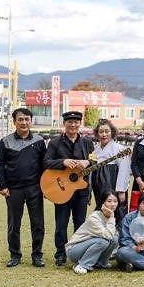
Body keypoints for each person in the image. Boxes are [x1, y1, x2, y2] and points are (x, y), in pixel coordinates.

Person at [0, 107, 47, 267]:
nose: (24, 123)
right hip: (13, 189)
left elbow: (45, 166)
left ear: (31, 121)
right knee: (14, 224)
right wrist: (2, 185)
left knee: (38, 224)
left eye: (27, 119)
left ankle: (37, 255)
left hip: (34, 188)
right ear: (14, 122)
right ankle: (15, 255)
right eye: (20, 119)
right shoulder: (5, 141)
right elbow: (0, 164)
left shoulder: (39, 141)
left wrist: (45, 187)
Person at [44, 110, 96, 266]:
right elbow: (46, 162)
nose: (73, 125)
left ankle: (78, 252)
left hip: (81, 190)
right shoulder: (54, 143)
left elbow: (94, 161)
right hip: (61, 189)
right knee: (61, 223)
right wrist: (63, 162)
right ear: (64, 124)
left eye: (76, 122)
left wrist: (88, 162)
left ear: (80, 123)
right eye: (69, 122)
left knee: (80, 223)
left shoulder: (87, 143)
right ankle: (60, 253)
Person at [65, 190, 120, 274]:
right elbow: (108, 236)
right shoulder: (95, 217)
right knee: (103, 241)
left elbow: (112, 237)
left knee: (115, 238)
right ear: (102, 203)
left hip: (90, 244)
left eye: (115, 201)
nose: (113, 204)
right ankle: (82, 265)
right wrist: (112, 218)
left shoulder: (109, 215)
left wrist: (111, 217)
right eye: (109, 201)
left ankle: (101, 263)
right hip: (74, 250)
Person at [90, 119, 131, 224]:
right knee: (102, 208)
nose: (104, 134)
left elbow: (124, 170)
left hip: (113, 180)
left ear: (112, 132)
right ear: (97, 133)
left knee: (117, 210)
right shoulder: (95, 149)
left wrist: (121, 190)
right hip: (98, 183)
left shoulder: (120, 149)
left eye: (107, 131)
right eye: (101, 131)